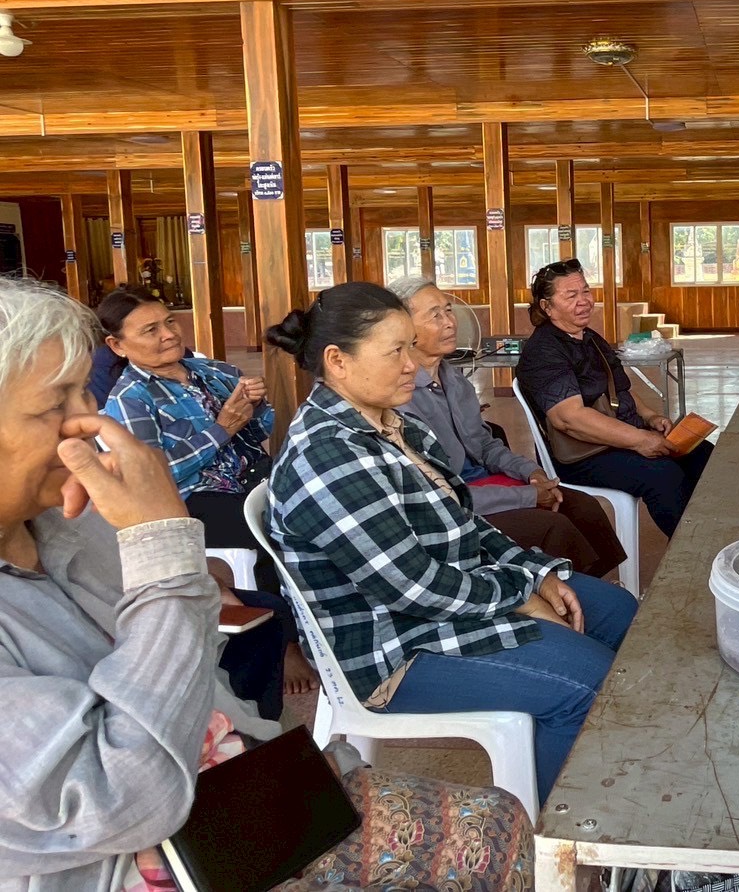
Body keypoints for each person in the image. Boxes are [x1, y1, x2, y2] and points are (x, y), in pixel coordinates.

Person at [0, 277, 532, 892]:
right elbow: (123, 799)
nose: (87, 424)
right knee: (486, 844)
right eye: (54, 405)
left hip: (244, 784)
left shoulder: (69, 525)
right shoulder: (308, 445)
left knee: (500, 821)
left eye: (81, 393)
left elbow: (199, 673)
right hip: (148, 860)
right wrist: (164, 546)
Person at [265, 283, 637, 804]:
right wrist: (519, 595)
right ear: (337, 361)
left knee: (620, 613)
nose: (411, 365)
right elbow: (413, 588)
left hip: (450, 600)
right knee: (587, 683)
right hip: (394, 648)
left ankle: (621, 769)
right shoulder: (328, 457)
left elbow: (465, 522)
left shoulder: (394, 425)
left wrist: (534, 574)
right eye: (395, 351)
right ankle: (557, 834)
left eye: (409, 346)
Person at [96, 286, 318, 698]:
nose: (168, 334)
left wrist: (255, 406)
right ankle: (286, 643)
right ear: (117, 345)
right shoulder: (130, 400)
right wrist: (222, 428)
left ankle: (329, 619)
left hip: (253, 477)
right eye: (149, 330)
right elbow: (156, 473)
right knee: (272, 533)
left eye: (169, 322)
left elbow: (259, 432)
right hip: (194, 498)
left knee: (320, 507)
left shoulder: (213, 371)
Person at [388, 276, 626, 580]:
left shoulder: (456, 381)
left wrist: (530, 472)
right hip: (454, 503)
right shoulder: (401, 396)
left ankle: (586, 591)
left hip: (483, 481)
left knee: (582, 507)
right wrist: (528, 496)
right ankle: (560, 596)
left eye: (448, 311)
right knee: (553, 526)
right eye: (435, 315)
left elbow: (485, 444)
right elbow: (441, 492)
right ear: (404, 328)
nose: (449, 322)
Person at [516, 260, 712, 538]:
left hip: (616, 437)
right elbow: (569, 419)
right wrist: (640, 440)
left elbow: (619, 390)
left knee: (701, 454)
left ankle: (709, 534)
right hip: (582, 454)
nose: (584, 301)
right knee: (663, 474)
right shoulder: (544, 351)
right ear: (547, 307)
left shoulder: (590, 338)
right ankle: (690, 548)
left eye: (586, 291)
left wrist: (650, 417)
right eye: (571, 296)